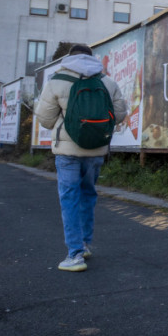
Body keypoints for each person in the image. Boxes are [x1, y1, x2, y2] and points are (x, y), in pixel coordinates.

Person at [34, 43, 128, 272]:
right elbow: (120, 115)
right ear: (92, 58)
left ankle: (74, 254)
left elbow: (45, 119)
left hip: (67, 151)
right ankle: (85, 244)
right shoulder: (107, 82)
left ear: (69, 58)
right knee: (88, 194)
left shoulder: (57, 81)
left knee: (69, 198)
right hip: (96, 150)